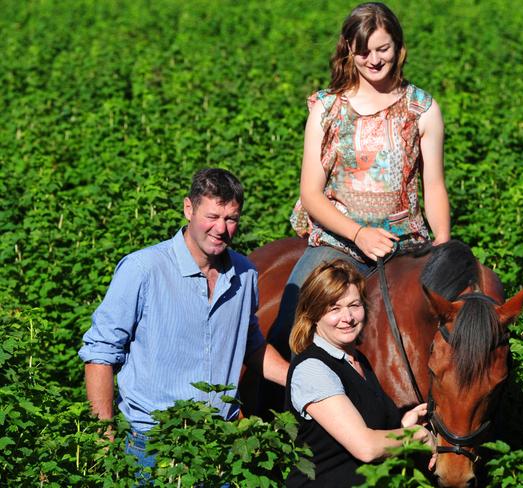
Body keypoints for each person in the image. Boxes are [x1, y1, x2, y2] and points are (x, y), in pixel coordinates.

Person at [78, 168, 289, 472]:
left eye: (231, 219)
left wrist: (301, 379)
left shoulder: (245, 274)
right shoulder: (143, 269)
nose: (221, 229)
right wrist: (103, 437)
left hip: (221, 445)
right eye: (212, 216)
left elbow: (250, 344)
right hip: (152, 445)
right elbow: (100, 354)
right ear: (188, 208)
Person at [274, 2, 451, 346]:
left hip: (406, 244)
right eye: (363, 51)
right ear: (349, 51)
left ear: (399, 48)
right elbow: (311, 193)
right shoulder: (327, 108)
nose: (373, 60)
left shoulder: (423, 109)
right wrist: (359, 235)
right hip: (339, 242)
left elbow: (434, 186)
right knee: (290, 320)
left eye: (383, 49)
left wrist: (443, 246)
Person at [285, 260, 436, 486]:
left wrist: (403, 425)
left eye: (354, 305)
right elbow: (366, 447)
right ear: (314, 314)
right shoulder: (312, 369)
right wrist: (418, 436)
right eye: (334, 308)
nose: (347, 318)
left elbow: (360, 429)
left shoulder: (357, 361)